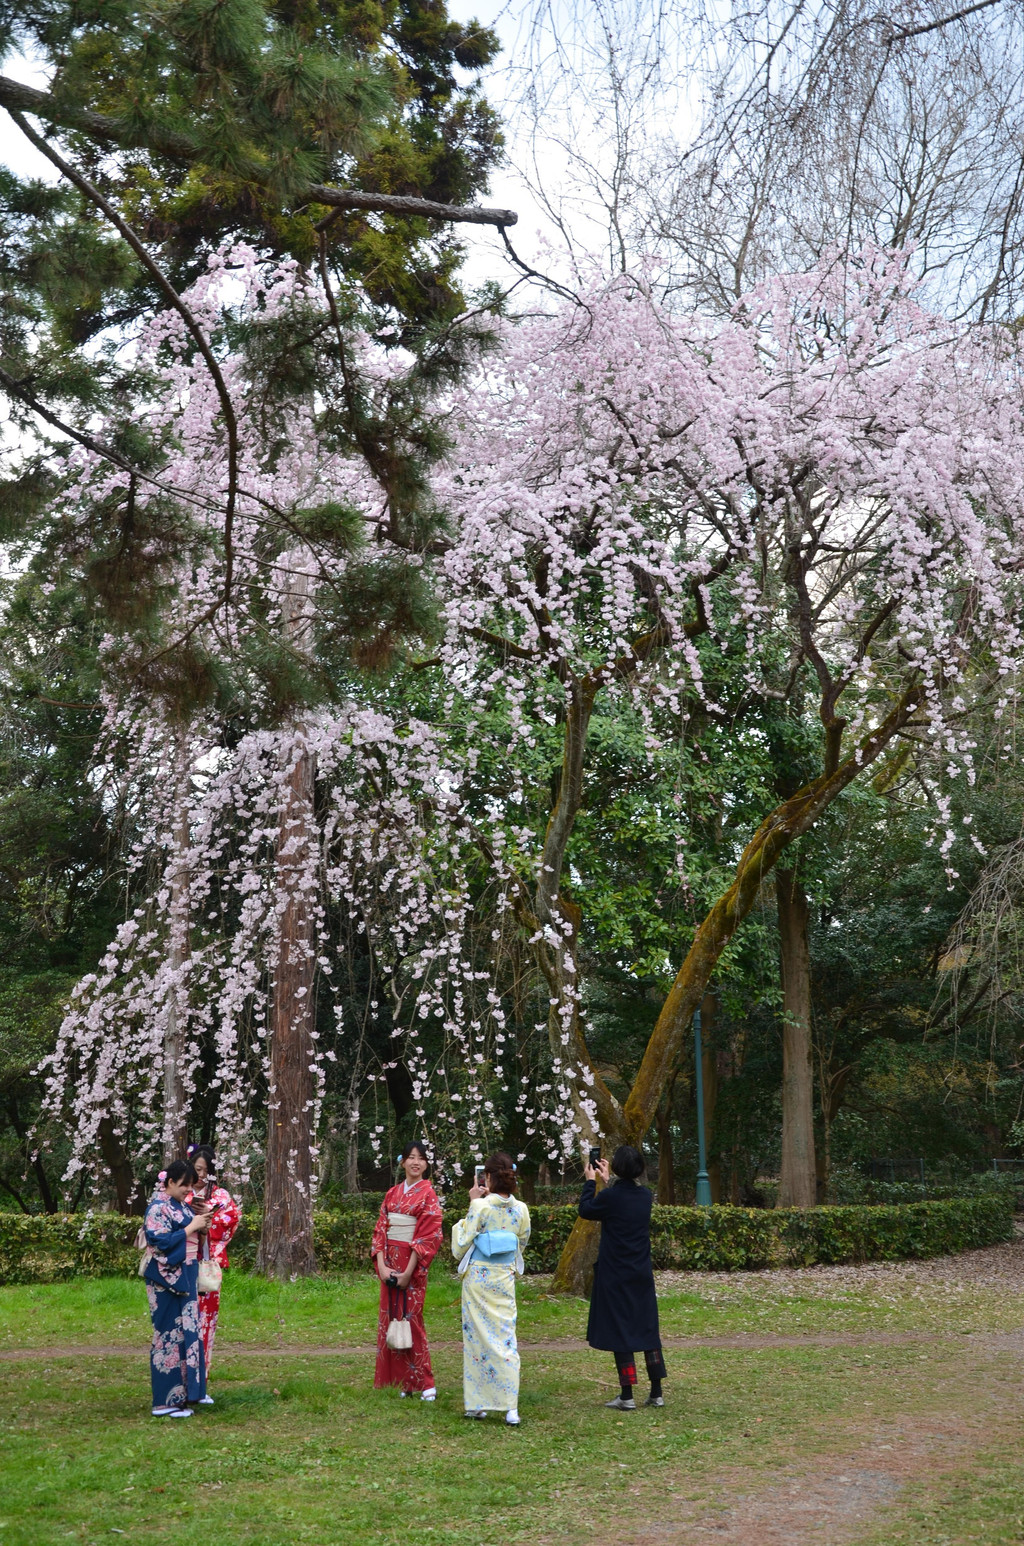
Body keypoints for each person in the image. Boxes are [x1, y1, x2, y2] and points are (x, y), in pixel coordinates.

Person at [579, 1145, 666, 1411]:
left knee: (621, 1330)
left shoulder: (612, 1197)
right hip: (640, 1270)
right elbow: (621, 1200)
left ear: (615, 1167)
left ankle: (626, 1394)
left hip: (615, 1272)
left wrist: (591, 1182)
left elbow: (586, 1209)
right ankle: (656, 1392)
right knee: (647, 1329)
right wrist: (609, 1183)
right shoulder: (644, 1196)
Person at [451, 1150, 531, 1425]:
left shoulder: (481, 1207)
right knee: (506, 1338)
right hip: (504, 1277)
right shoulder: (521, 1209)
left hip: (479, 1279)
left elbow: (461, 1243)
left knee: (477, 1340)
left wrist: (473, 1203)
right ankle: (511, 1408)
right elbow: (522, 1241)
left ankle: (477, 1405)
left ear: (487, 1177)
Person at [371, 1140, 444, 1399]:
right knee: (390, 1320)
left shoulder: (428, 1194)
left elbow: (428, 1237)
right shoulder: (391, 1193)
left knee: (412, 1320)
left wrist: (408, 1273)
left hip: (411, 1265)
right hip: (389, 1263)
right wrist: (381, 1266)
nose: (416, 1162)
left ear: (426, 1164)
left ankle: (425, 1383)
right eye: (411, 1157)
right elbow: (380, 1229)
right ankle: (402, 1382)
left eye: (421, 1158)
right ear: (402, 1161)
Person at [142, 1158, 209, 1417]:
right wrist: (191, 1227)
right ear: (169, 1182)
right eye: (184, 1185)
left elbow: (189, 1233)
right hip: (166, 1280)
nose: (188, 1190)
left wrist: (202, 1226)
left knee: (188, 1336)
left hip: (186, 1274)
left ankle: (188, 1394)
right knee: (168, 1336)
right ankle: (164, 1402)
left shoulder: (180, 1206)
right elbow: (158, 1243)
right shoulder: (157, 1208)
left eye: (190, 1185)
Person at [187, 1142, 241, 1403]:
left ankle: (200, 1385)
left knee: (205, 1326)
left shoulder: (221, 1196)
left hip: (206, 1266)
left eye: (204, 1170)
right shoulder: (179, 1192)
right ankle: (179, 1383)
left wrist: (208, 1221)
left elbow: (230, 1221)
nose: (199, 1175)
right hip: (181, 1264)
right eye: (196, 1169)